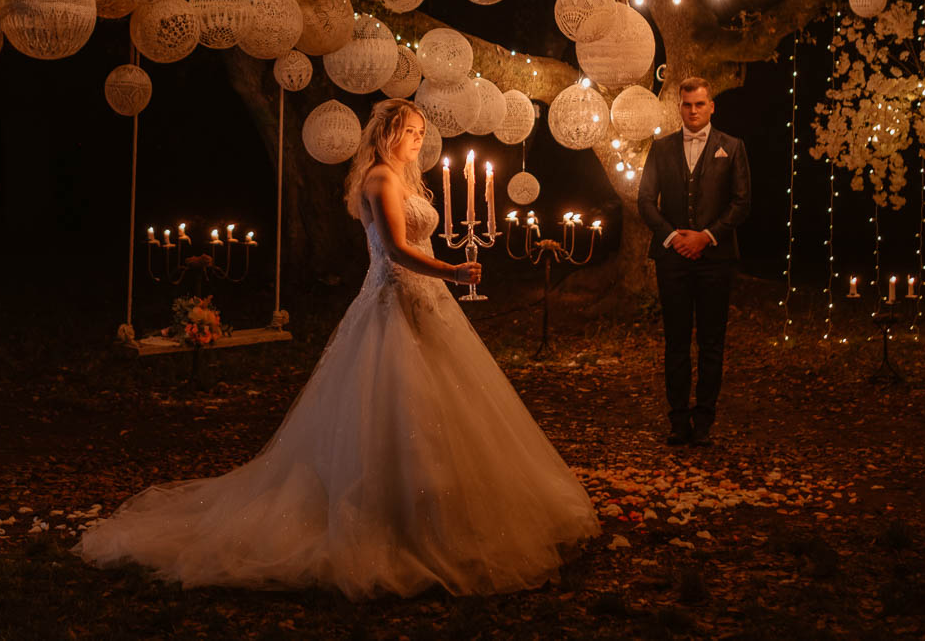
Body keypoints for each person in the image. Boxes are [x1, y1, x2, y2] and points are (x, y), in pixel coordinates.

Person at [77, 98, 598, 598]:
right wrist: (453, 271)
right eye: (410, 132)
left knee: (452, 403)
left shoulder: (405, 179)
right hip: (392, 300)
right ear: (388, 134)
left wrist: (443, 277)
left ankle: (443, 507)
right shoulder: (379, 179)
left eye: (421, 134)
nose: (417, 141)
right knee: (395, 403)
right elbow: (395, 249)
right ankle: (392, 516)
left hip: (427, 302)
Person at [635, 78, 751, 447]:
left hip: (715, 258)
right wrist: (672, 237)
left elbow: (741, 202)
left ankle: (704, 421)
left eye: (700, 104)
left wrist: (707, 236)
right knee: (676, 342)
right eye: (687, 105)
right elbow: (645, 201)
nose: (693, 110)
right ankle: (677, 421)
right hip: (673, 259)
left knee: (712, 342)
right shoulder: (662, 147)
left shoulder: (732, 148)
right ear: (679, 107)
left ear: (711, 106)